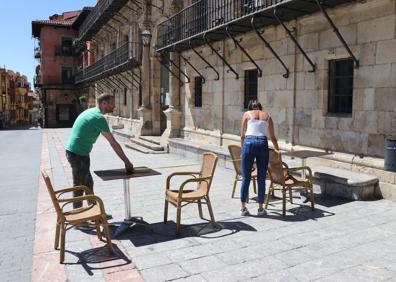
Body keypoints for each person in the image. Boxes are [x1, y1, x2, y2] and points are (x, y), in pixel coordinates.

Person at [65, 93, 134, 210]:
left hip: (78, 152)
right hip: (78, 154)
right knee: (79, 186)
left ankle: (93, 212)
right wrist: (127, 162)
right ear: (104, 103)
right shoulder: (99, 118)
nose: (114, 107)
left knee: (88, 184)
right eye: (112, 104)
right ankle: (78, 216)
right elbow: (113, 143)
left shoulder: (91, 112)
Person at [240, 100, 279, 216]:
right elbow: (273, 138)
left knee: (246, 177)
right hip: (262, 143)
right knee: (261, 178)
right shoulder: (267, 116)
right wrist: (277, 150)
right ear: (260, 107)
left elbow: (242, 135)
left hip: (248, 143)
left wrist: (243, 150)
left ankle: (243, 208)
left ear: (250, 108)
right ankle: (261, 208)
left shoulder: (247, 114)